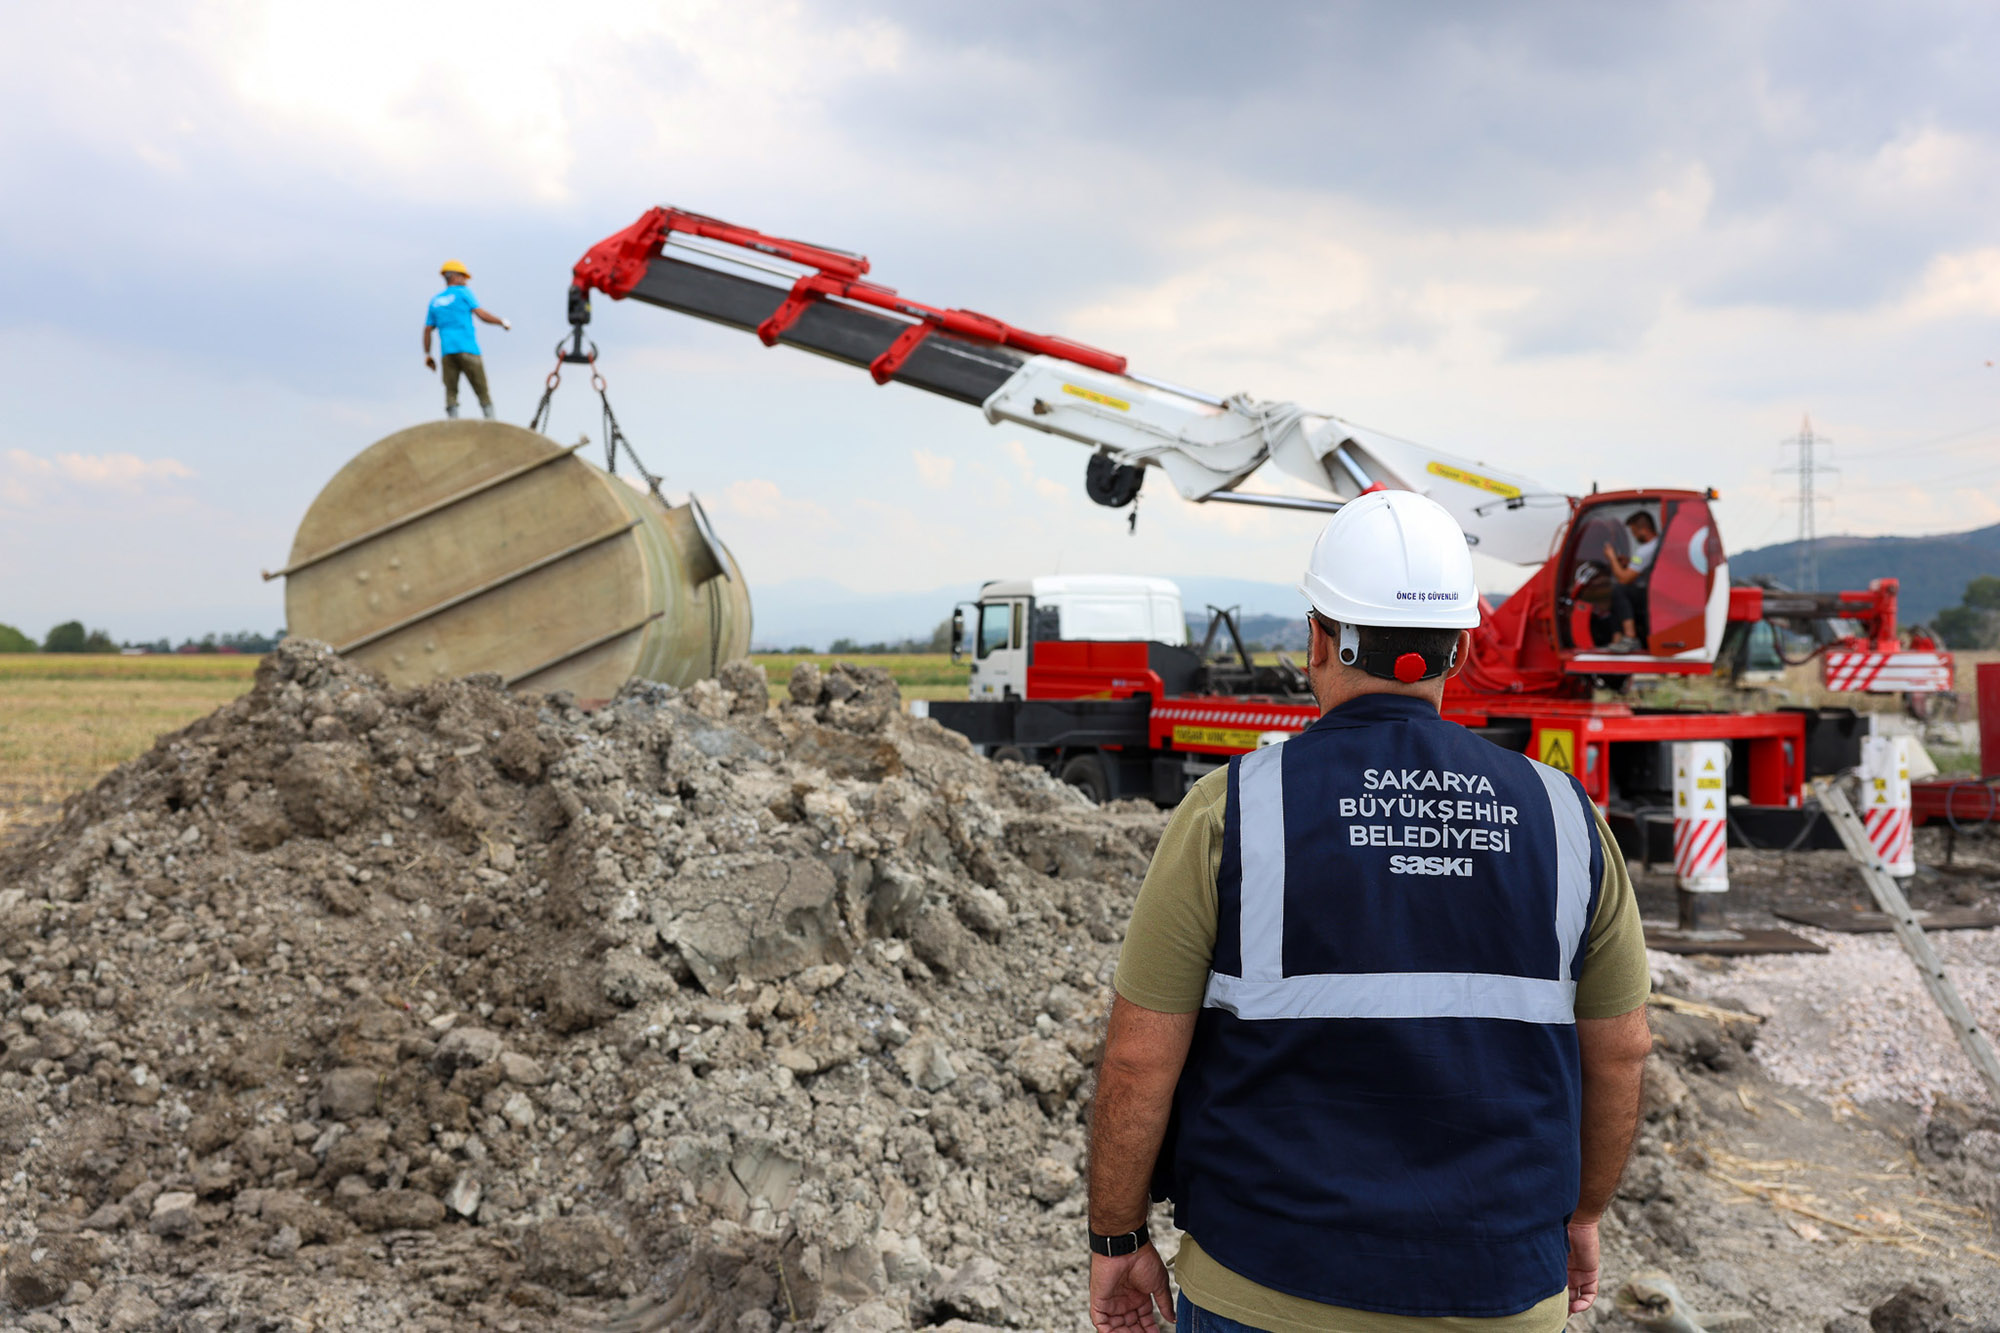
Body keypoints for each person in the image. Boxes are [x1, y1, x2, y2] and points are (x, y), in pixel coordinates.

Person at [1086, 489, 1652, 1333]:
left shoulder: (1231, 808)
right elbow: (1621, 1052)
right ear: (1463, 645)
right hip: (1500, 1288)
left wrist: (1118, 1236)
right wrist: (1580, 1216)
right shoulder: (1566, 816)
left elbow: (1139, 1059)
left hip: (1268, 1285)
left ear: (1319, 636)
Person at [423, 260, 510, 419]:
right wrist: (501, 322)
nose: (466, 281)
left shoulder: (435, 301)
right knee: (482, 390)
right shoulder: (463, 293)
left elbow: (428, 329)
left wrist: (427, 354)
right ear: (454, 277)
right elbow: (481, 315)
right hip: (468, 349)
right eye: (463, 276)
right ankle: (492, 424)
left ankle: (452, 426)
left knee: (451, 392)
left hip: (447, 352)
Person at [1601, 510, 1659, 653]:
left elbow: (1624, 578)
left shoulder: (1645, 550)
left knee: (1618, 590)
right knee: (1616, 597)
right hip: (1650, 591)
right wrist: (1629, 563)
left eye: (1634, 532)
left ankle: (1630, 637)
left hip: (1651, 596)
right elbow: (1639, 565)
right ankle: (1617, 639)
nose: (1633, 536)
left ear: (1644, 530)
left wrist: (1612, 558)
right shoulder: (1654, 546)